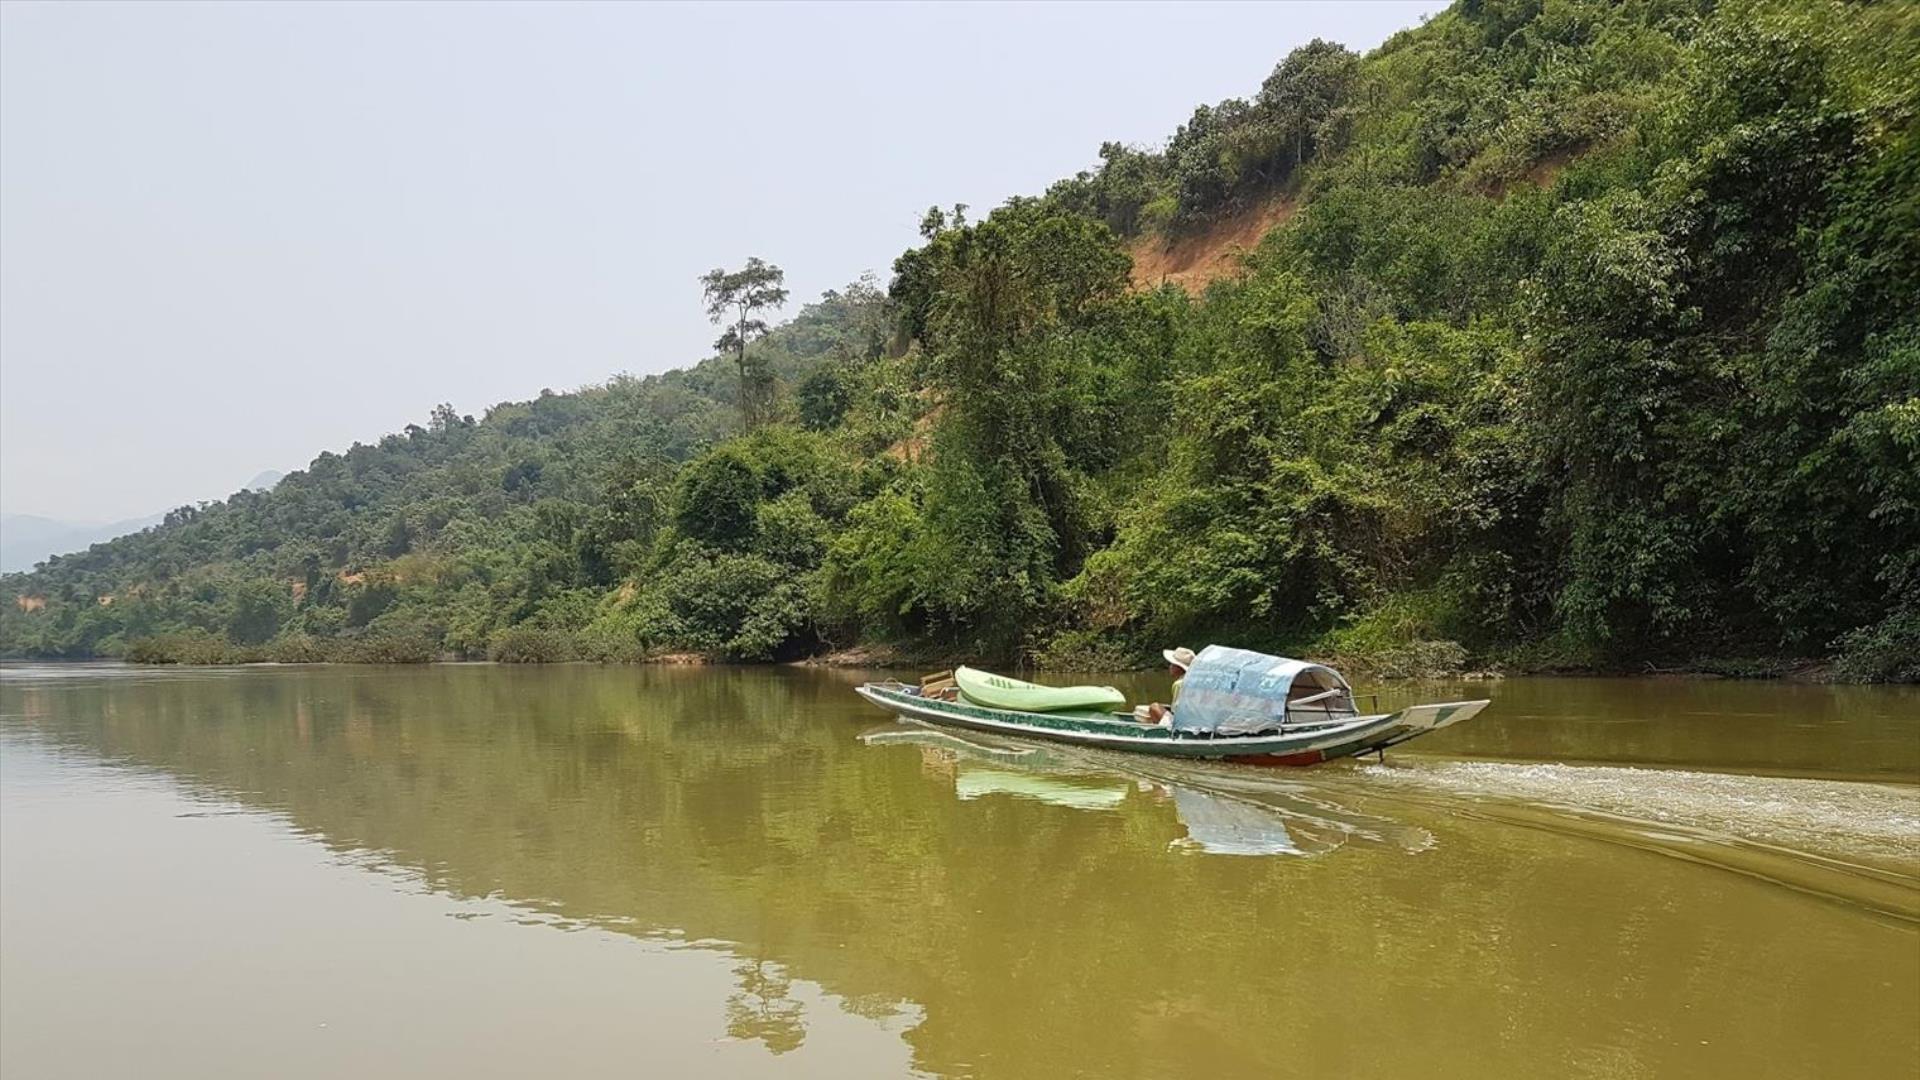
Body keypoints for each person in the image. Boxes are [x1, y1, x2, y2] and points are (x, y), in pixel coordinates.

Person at [1136, 646, 1195, 725]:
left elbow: (1177, 711)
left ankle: (1162, 732)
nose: (1170, 667)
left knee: (1154, 707)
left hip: (1182, 724)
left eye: (1172, 664)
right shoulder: (1194, 680)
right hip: (1194, 720)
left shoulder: (1179, 684)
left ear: (1179, 667)